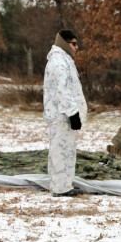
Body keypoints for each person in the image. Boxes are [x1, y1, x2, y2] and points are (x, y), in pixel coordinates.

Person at [43, 29, 87, 197]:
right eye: (74, 44)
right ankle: (60, 188)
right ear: (64, 44)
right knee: (60, 151)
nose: (77, 47)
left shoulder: (64, 59)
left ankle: (63, 185)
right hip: (61, 115)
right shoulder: (59, 62)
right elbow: (63, 90)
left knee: (67, 151)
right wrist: (72, 113)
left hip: (64, 116)